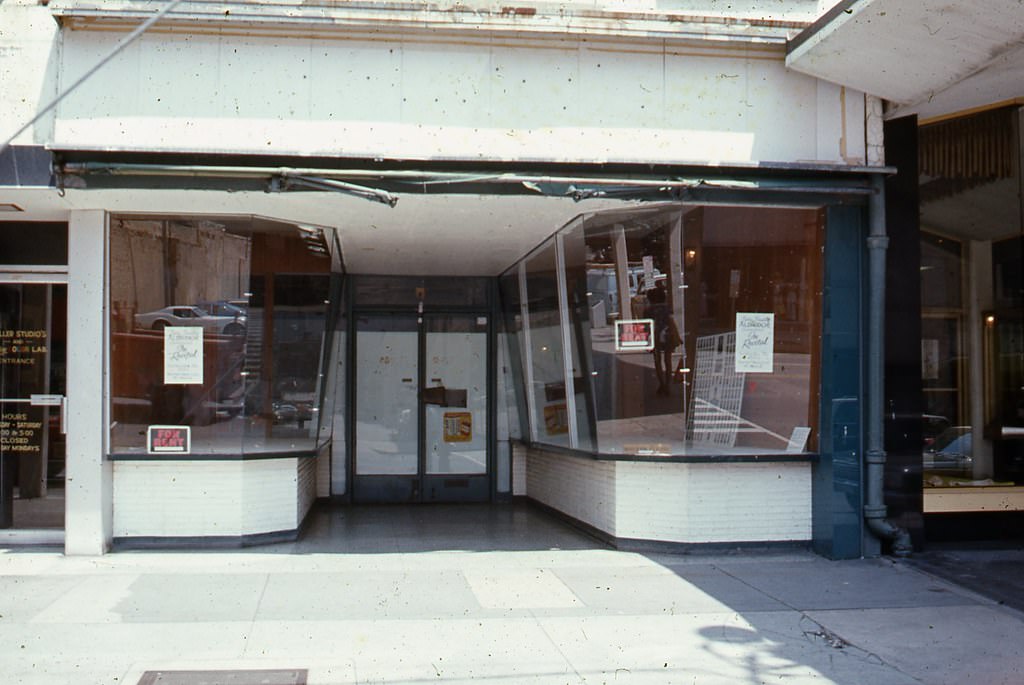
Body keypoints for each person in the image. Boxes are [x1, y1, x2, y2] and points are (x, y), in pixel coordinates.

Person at [643, 284, 680, 396]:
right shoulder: (667, 309)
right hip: (667, 336)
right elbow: (671, 322)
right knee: (668, 361)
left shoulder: (648, 311)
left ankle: (662, 384)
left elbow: (646, 326)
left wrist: (646, 338)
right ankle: (668, 385)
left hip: (655, 337)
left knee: (657, 361)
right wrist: (677, 336)